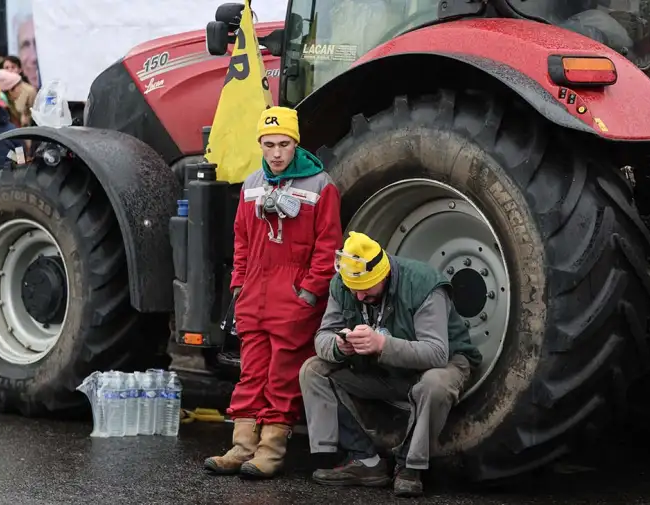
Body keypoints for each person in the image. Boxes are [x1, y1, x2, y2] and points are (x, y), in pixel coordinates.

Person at [204, 106, 343, 479]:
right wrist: (239, 286)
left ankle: (270, 451)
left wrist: (308, 295)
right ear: (260, 145)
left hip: (293, 300)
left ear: (295, 143)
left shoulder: (320, 185)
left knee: (282, 377)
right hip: (255, 297)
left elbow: (327, 248)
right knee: (251, 374)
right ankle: (242, 447)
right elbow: (242, 241)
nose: (276, 153)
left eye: (283, 144)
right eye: (269, 145)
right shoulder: (252, 185)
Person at [299, 232, 483, 497]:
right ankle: (364, 461)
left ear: (383, 275)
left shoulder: (423, 284)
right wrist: (339, 347)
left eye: (365, 289)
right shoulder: (343, 284)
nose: (359, 296)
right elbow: (323, 337)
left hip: (438, 365)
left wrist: (383, 345)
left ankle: (410, 467)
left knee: (435, 385)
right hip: (383, 370)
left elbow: (436, 353)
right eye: (354, 289)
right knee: (314, 369)